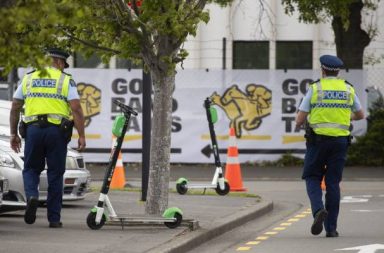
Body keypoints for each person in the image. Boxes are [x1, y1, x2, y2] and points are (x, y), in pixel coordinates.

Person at [9, 48, 86, 228]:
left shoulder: (29, 78)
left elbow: (15, 106)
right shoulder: (65, 80)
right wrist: (81, 135)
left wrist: (13, 134)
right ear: (59, 62)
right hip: (57, 133)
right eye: (63, 65)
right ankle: (54, 219)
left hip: (33, 131)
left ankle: (32, 196)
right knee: (55, 174)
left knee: (30, 170)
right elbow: (76, 108)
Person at [295, 55, 365, 238]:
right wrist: (345, 117)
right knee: (333, 183)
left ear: (322, 70)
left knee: (312, 176)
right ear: (338, 71)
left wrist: (299, 123)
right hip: (340, 143)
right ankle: (331, 229)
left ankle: (318, 210)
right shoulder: (348, 89)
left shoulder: (315, 88)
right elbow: (360, 114)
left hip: (317, 141)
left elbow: (300, 118)